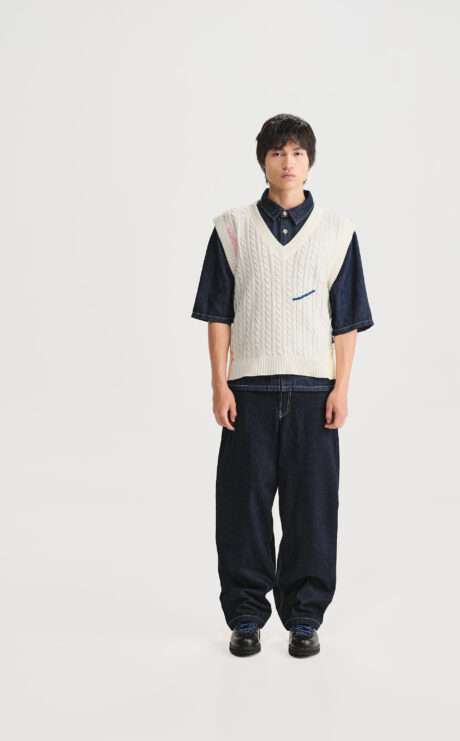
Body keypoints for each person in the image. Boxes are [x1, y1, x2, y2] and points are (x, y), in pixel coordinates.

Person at [191, 113, 374, 657]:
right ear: (263, 161)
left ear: (309, 161)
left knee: (312, 510)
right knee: (241, 508)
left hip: (315, 393)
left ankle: (305, 618)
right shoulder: (231, 229)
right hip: (247, 391)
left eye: (296, 152)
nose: (287, 162)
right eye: (277, 152)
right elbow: (218, 314)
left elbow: (346, 321)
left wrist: (342, 388)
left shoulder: (338, 233)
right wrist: (219, 384)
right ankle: (246, 616)